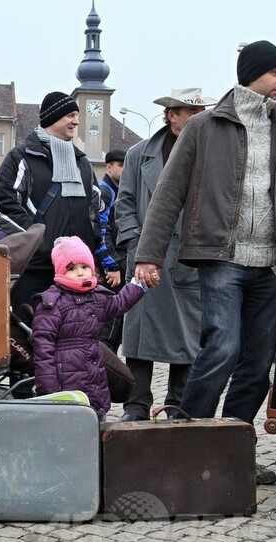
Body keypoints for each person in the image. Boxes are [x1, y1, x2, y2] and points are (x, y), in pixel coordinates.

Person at [134, 41, 276, 485]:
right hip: (222, 258)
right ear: (253, 73)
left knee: (258, 363)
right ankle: (186, 440)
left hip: (273, 266)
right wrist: (148, 254)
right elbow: (169, 192)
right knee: (223, 346)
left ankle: (234, 449)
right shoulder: (204, 126)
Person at [114, 88, 216, 422]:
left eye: (202, 110)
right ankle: (137, 403)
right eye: (192, 111)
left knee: (187, 336)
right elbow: (125, 202)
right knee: (139, 334)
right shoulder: (138, 154)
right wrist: (134, 240)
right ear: (172, 115)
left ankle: (176, 403)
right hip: (147, 256)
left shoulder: (210, 155)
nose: (200, 117)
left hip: (188, 259)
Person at [0, 91, 103, 326]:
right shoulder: (22, 157)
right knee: (33, 347)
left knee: (73, 344)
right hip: (36, 271)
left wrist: (91, 246)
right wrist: (40, 243)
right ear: (54, 117)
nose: (77, 121)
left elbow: (96, 208)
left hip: (76, 272)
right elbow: (2, 204)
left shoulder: (81, 162)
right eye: (71, 115)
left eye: (77, 115)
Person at [32, 236, 144, 420]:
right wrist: (48, 388)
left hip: (93, 379)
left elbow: (118, 303)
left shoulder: (96, 297)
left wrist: (138, 285)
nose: (80, 273)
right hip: (65, 383)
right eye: (72, 268)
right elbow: (43, 347)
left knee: (96, 421)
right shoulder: (53, 303)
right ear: (61, 271)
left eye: (84, 267)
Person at [97, 149, 126, 352]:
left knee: (116, 324)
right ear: (109, 167)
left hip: (113, 262)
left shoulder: (117, 191)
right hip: (110, 266)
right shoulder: (105, 192)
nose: (125, 170)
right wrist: (111, 264)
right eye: (120, 165)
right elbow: (100, 229)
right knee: (110, 324)